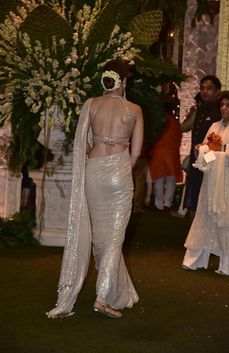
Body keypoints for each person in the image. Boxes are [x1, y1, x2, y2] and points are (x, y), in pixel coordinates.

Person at [47, 59, 143, 319]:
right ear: (123, 81)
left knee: (101, 238)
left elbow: (82, 143)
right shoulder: (134, 109)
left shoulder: (91, 104)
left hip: (94, 171)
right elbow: (136, 152)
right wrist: (121, 167)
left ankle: (113, 291)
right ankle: (102, 298)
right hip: (119, 174)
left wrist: (98, 154)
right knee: (113, 240)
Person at [182, 91, 229, 275]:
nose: (224, 108)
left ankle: (228, 264)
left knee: (227, 219)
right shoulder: (214, 126)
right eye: (222, 105)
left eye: (228, 105)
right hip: (211, 180)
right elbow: (209, 155)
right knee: (204, 217)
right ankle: (194, 259)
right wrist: (202, 149)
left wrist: (221, 150)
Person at [184, 75, 222, 218]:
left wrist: (208, 158)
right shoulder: (201, 109)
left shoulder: (219, 110)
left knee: (207, 191)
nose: (205, 92)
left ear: (217, 91)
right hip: (197, 157)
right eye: (202, 88)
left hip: (210, 158)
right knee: (196, 188)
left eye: (209, 88)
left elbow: (220, 138)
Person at [148, 82, 182, 211]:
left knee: (158, 179)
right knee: (171, 179)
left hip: (159, 152)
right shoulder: (176, 123)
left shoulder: (159, 121)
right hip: (172, 153)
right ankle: (168, 203)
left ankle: (159, 204)